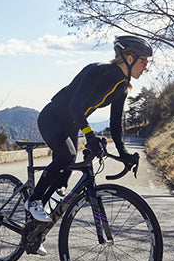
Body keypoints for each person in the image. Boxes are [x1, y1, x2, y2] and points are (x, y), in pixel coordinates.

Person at [25, 35, 152, 228]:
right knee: (67, 156)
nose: (145, 66)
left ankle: (34, 231)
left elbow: (115, 124)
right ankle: (33, 201)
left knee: (62, 181)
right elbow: (75, 107)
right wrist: (90, 136)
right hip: (52, 117)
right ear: (129, 58)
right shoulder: (99, 71)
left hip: (71, 124)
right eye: (143, 61)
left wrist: (124, 153)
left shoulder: (123, 87)